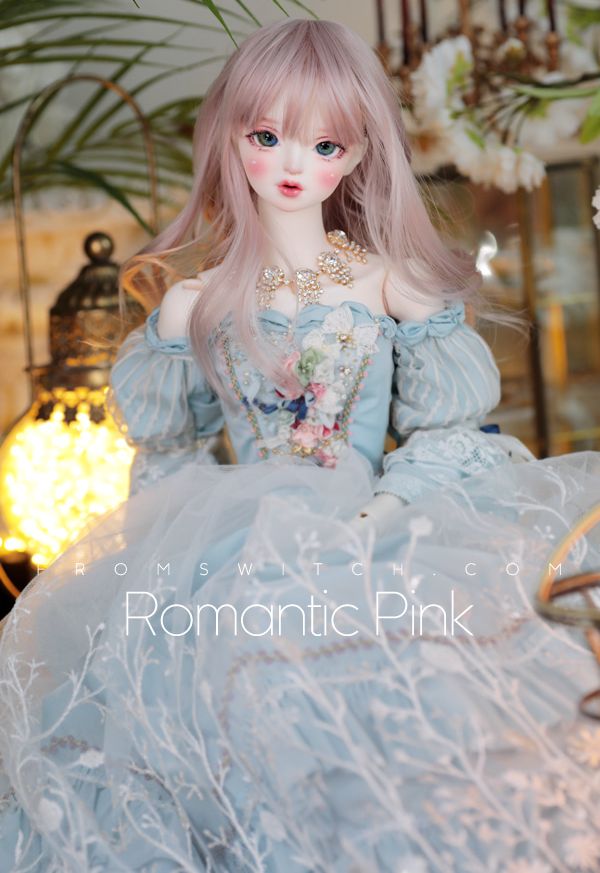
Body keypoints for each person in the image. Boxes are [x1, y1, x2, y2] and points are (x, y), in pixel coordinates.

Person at [1, 17, 600, 873]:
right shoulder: (196, 302)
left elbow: (448, 427)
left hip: (372, 538)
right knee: (214, 726)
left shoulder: (387, 282)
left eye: (323, 145)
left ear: (355, 156)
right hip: (233, 550)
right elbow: (167, 450)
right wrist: (166, 551)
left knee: (398, 733)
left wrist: (386, 504)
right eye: (266, 137)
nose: (292, 164)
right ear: (231, 138)